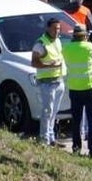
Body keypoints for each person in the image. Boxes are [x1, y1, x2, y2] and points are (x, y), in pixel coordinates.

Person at [63, 23, 92, 157]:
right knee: (91, 119)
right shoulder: (89, 47)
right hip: (89, 87)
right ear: (85, 36)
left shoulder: (67, 48)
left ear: (73, 35)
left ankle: (76, 148)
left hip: (74, 88)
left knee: (76, 120)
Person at [31, 17, 68, 146]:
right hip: (47, 83)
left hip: (58, 80)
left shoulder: (57, 41)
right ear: (48, 28)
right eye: (54, 29)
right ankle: (44, 139)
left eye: (58, 29)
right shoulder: (41, 44)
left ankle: (51, 138)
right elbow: (34, 62)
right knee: (47, 111)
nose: (57, 31)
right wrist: (50, 65)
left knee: (54, 112)